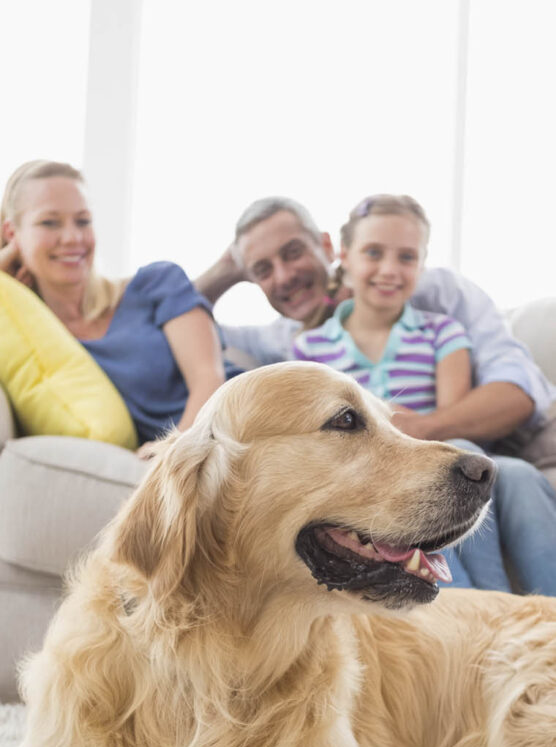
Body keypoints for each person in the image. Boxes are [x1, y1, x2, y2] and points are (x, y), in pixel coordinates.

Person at [291, 193, 556, 596]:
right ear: (345, 256)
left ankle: (545, 615)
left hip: (441, 453)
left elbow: (452, 424)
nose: (389, 270)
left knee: (518, 474)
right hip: (376, 474)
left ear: (422, 264)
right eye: (374, 253)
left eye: (407, 258)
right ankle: (479, 606)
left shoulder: (442, 332)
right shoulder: (309, 350)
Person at [195, 197, 556, 486]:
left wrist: (420, 430)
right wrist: (226, 270)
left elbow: (519, 392)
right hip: (392, 468)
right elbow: (177, 317)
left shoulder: (435, 296)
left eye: (292, 253)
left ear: (330, 247)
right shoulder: (293, 343)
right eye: (262, 269)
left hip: (503, 446)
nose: (285, 275)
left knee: (513, 476)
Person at [0, 160, 239, 458]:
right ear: (12, 233)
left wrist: (174, 448)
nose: (73, 237)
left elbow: (209, 377)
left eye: (83, 221)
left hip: (242, 427)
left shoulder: (157, 282)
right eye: (50, 222)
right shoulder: (41, 348)